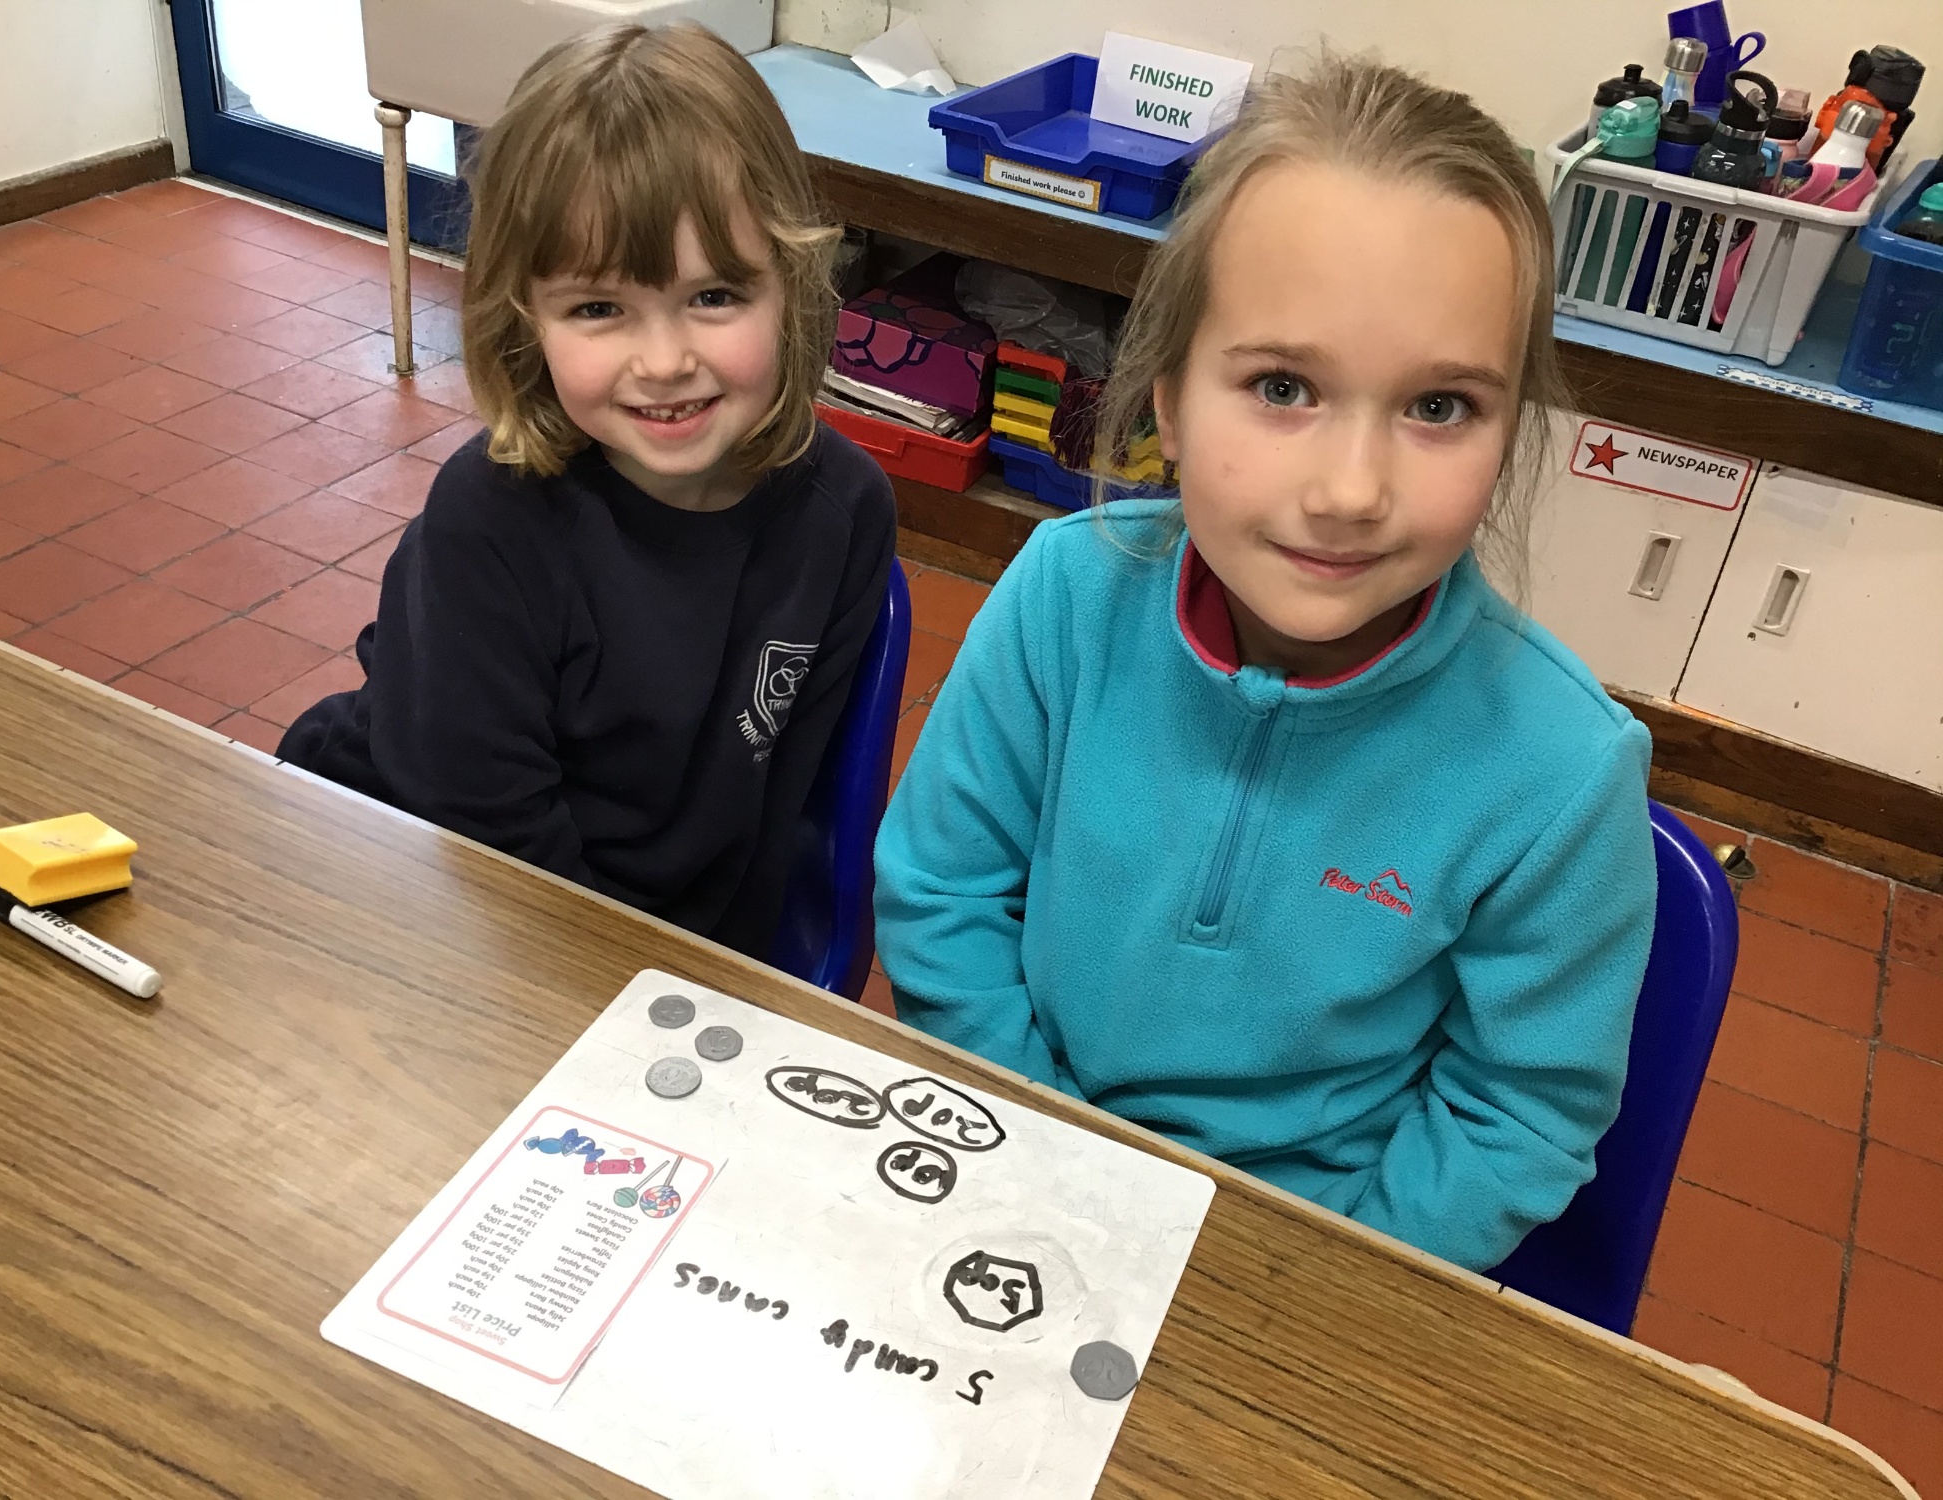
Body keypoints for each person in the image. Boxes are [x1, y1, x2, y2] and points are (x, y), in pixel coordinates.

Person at [873, 52, 1656, 1272]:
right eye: (1281, 386)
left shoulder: (1561, 769)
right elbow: (942, 897)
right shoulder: (1062, 599)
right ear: (1170, 401)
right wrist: (1041, 1161)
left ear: (1510, 433)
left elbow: (1519, 1115)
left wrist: (1317, 1285)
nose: (1350, 491)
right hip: (1012, 1158)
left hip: (1310, 1257)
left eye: (1439, 407)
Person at [279, 24, 895, 961]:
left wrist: (706, 1009)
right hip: (394, 888)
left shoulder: (845, 512)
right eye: (598, 309)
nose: (664, 361)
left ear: (792, 282)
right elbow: (490, 860)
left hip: (621, 951)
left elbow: (772, 826)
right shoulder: (488, 521)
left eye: (716, 296)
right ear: (525, 314)